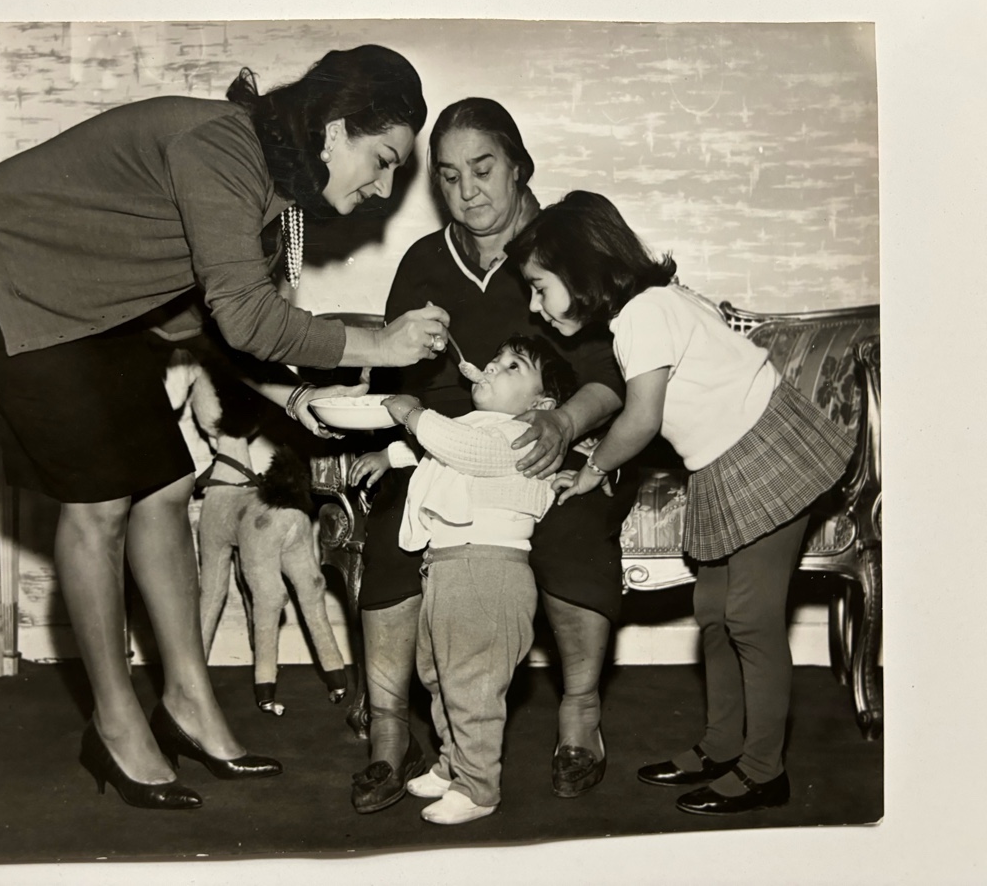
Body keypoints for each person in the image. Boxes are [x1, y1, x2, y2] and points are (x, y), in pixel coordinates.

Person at [0, 45, 450, 811]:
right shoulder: (224, 147)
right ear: (335, 130)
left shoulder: (276, 195)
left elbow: (201, 321)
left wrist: (288, 397)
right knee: (100, 503)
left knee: (169, 482)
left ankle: (187, 703)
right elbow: (245, 318)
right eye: (380, 161)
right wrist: (380, 343)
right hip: (8, 266)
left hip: (98, 302)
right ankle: (113, 725)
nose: (380, 188)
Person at [508, 190, 855, 815]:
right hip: (725, 462)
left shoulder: (645, 313)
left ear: (582, 272)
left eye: (539, 287)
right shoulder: (646, 311)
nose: (535, 306)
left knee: (748, 617)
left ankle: (762, 770)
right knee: (715, 610)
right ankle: (724, 745)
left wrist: (592, 470)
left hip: (766, 452)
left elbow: (641, 420)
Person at [348, 98, 637, 814]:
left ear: (518, 165)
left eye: (482, 169)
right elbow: (399, 382)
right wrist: (406, 442)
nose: (468, 190)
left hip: (552, 444)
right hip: (443, 452)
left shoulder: (557, 247)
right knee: (392, 524)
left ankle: (580, 717)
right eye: (448, 177)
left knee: (570, 528)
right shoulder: (423, 262)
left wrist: (565, 424)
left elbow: (612, 376)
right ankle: (391, 733)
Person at [356, 336, 578, 825]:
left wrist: (411, 414)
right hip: (450, 567)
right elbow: (444, 457)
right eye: (495, 358)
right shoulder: (480, 428)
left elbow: (466, 450)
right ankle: (454, 765)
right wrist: (392, 456)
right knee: (439, 675)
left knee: (472, 686)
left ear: (541, 406)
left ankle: (478, 788)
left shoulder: (525, 434)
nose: (493, 366)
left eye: (512, 366)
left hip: (487, 572)